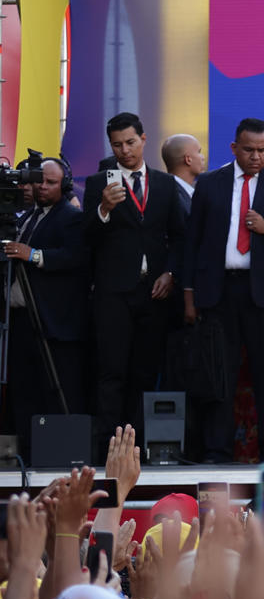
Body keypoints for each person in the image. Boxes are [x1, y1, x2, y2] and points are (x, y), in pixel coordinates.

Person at [184, 118, 264, 463]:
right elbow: (191, 241)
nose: (256, 156)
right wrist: (189, 294)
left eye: (262, 150)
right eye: (249, 150)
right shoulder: (210, 184)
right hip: (219, 290)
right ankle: (217, 450)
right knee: (219, 376)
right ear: (234, 148)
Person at [82, 113, 186, 460]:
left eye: (129, 142)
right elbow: (87, 238)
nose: (124, 150)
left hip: (154, 292)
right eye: (116, 145)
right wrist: (103, 209)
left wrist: (170, 273)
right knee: (111, 372)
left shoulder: (165, 184)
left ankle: (138, 449)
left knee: (145, 373)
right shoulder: (99, 183)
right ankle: (107, 451)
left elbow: (181, 238)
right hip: (112, 293)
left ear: (143, 139)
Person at [3, 157, 90, 433]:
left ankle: (58, 453)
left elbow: (76, 257)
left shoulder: (72, 217)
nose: (42, 187)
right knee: (23, 390)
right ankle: (25, 450)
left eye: (50, 183)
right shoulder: (26, 216)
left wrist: (34, 255)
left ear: (64, 185)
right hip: (20, 320)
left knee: (54, 392)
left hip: (52, 324)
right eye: (39, 180)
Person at [161, 132, 204, 201]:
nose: (203, 157)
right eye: (199, 152)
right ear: (188, 159)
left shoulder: (164, 190)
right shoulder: (172, 197)